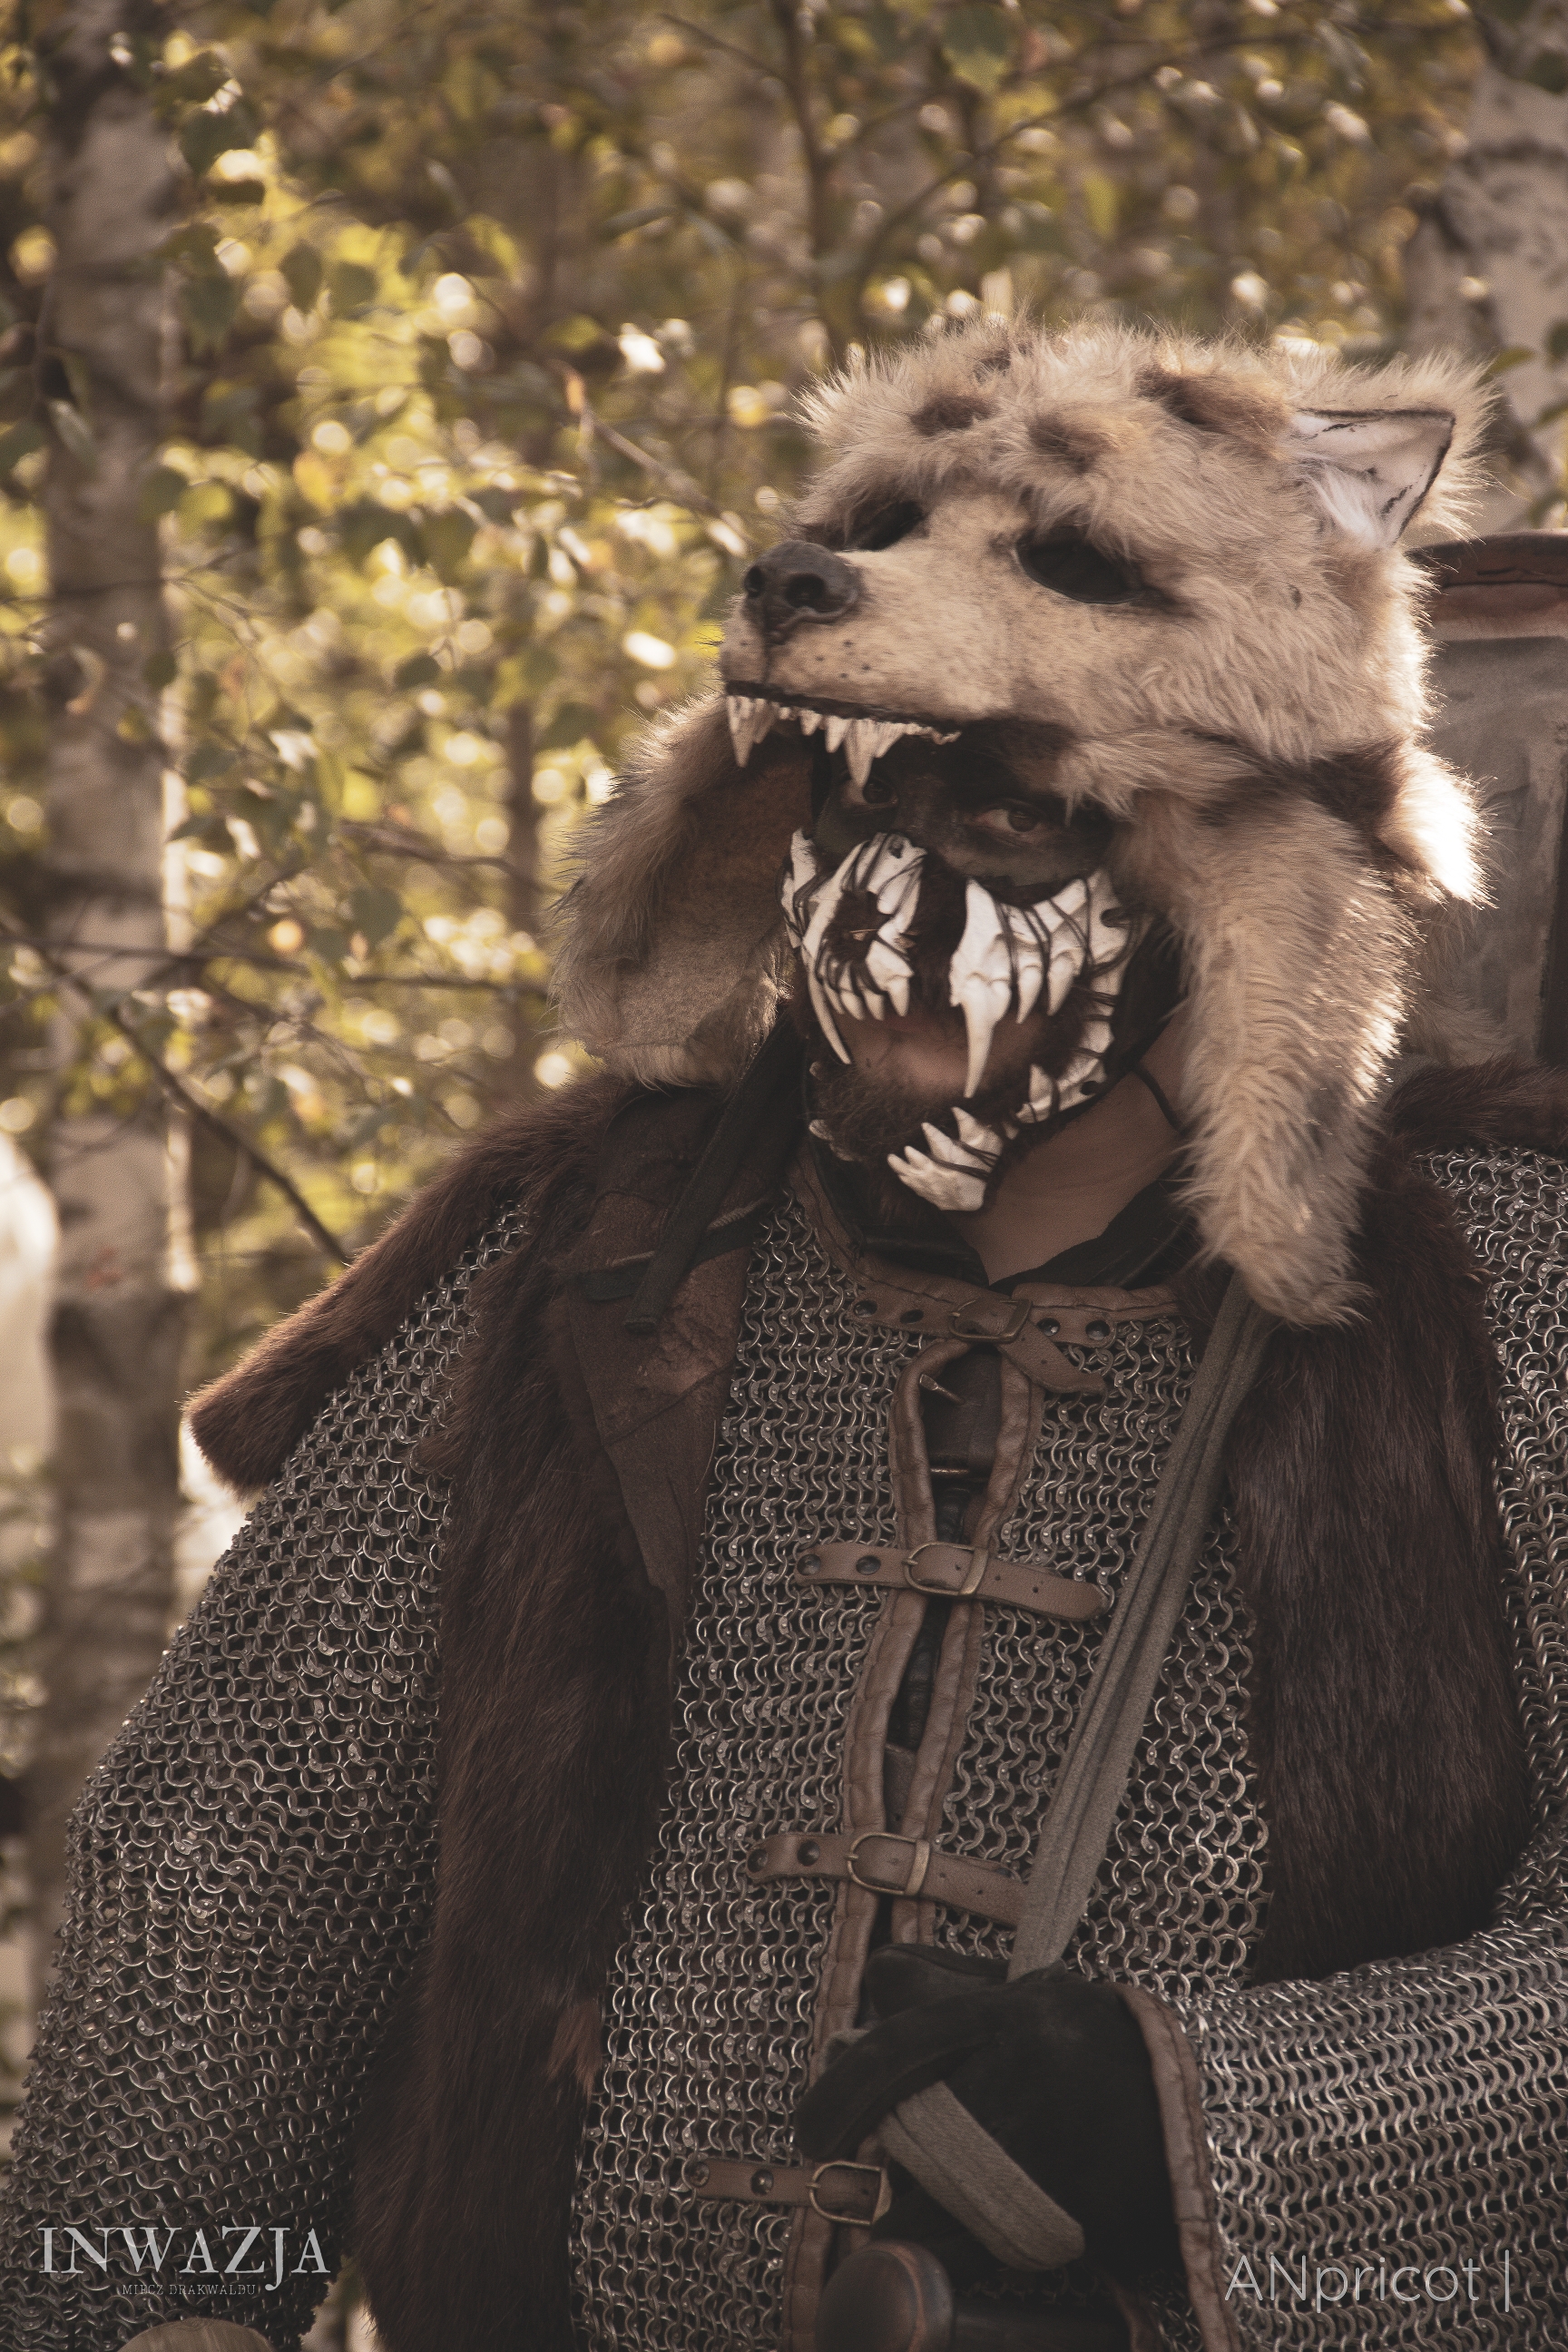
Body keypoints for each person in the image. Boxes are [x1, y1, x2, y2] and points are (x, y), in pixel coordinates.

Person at [4, 323, 1565, 2352]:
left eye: (1005, 813)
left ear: (1246, 887)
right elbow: (237, 1866)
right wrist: (143, 2304)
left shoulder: (1503, 1298)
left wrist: (1206, 2117)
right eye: (861, 808)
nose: (901, 904)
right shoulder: (595, 1259)